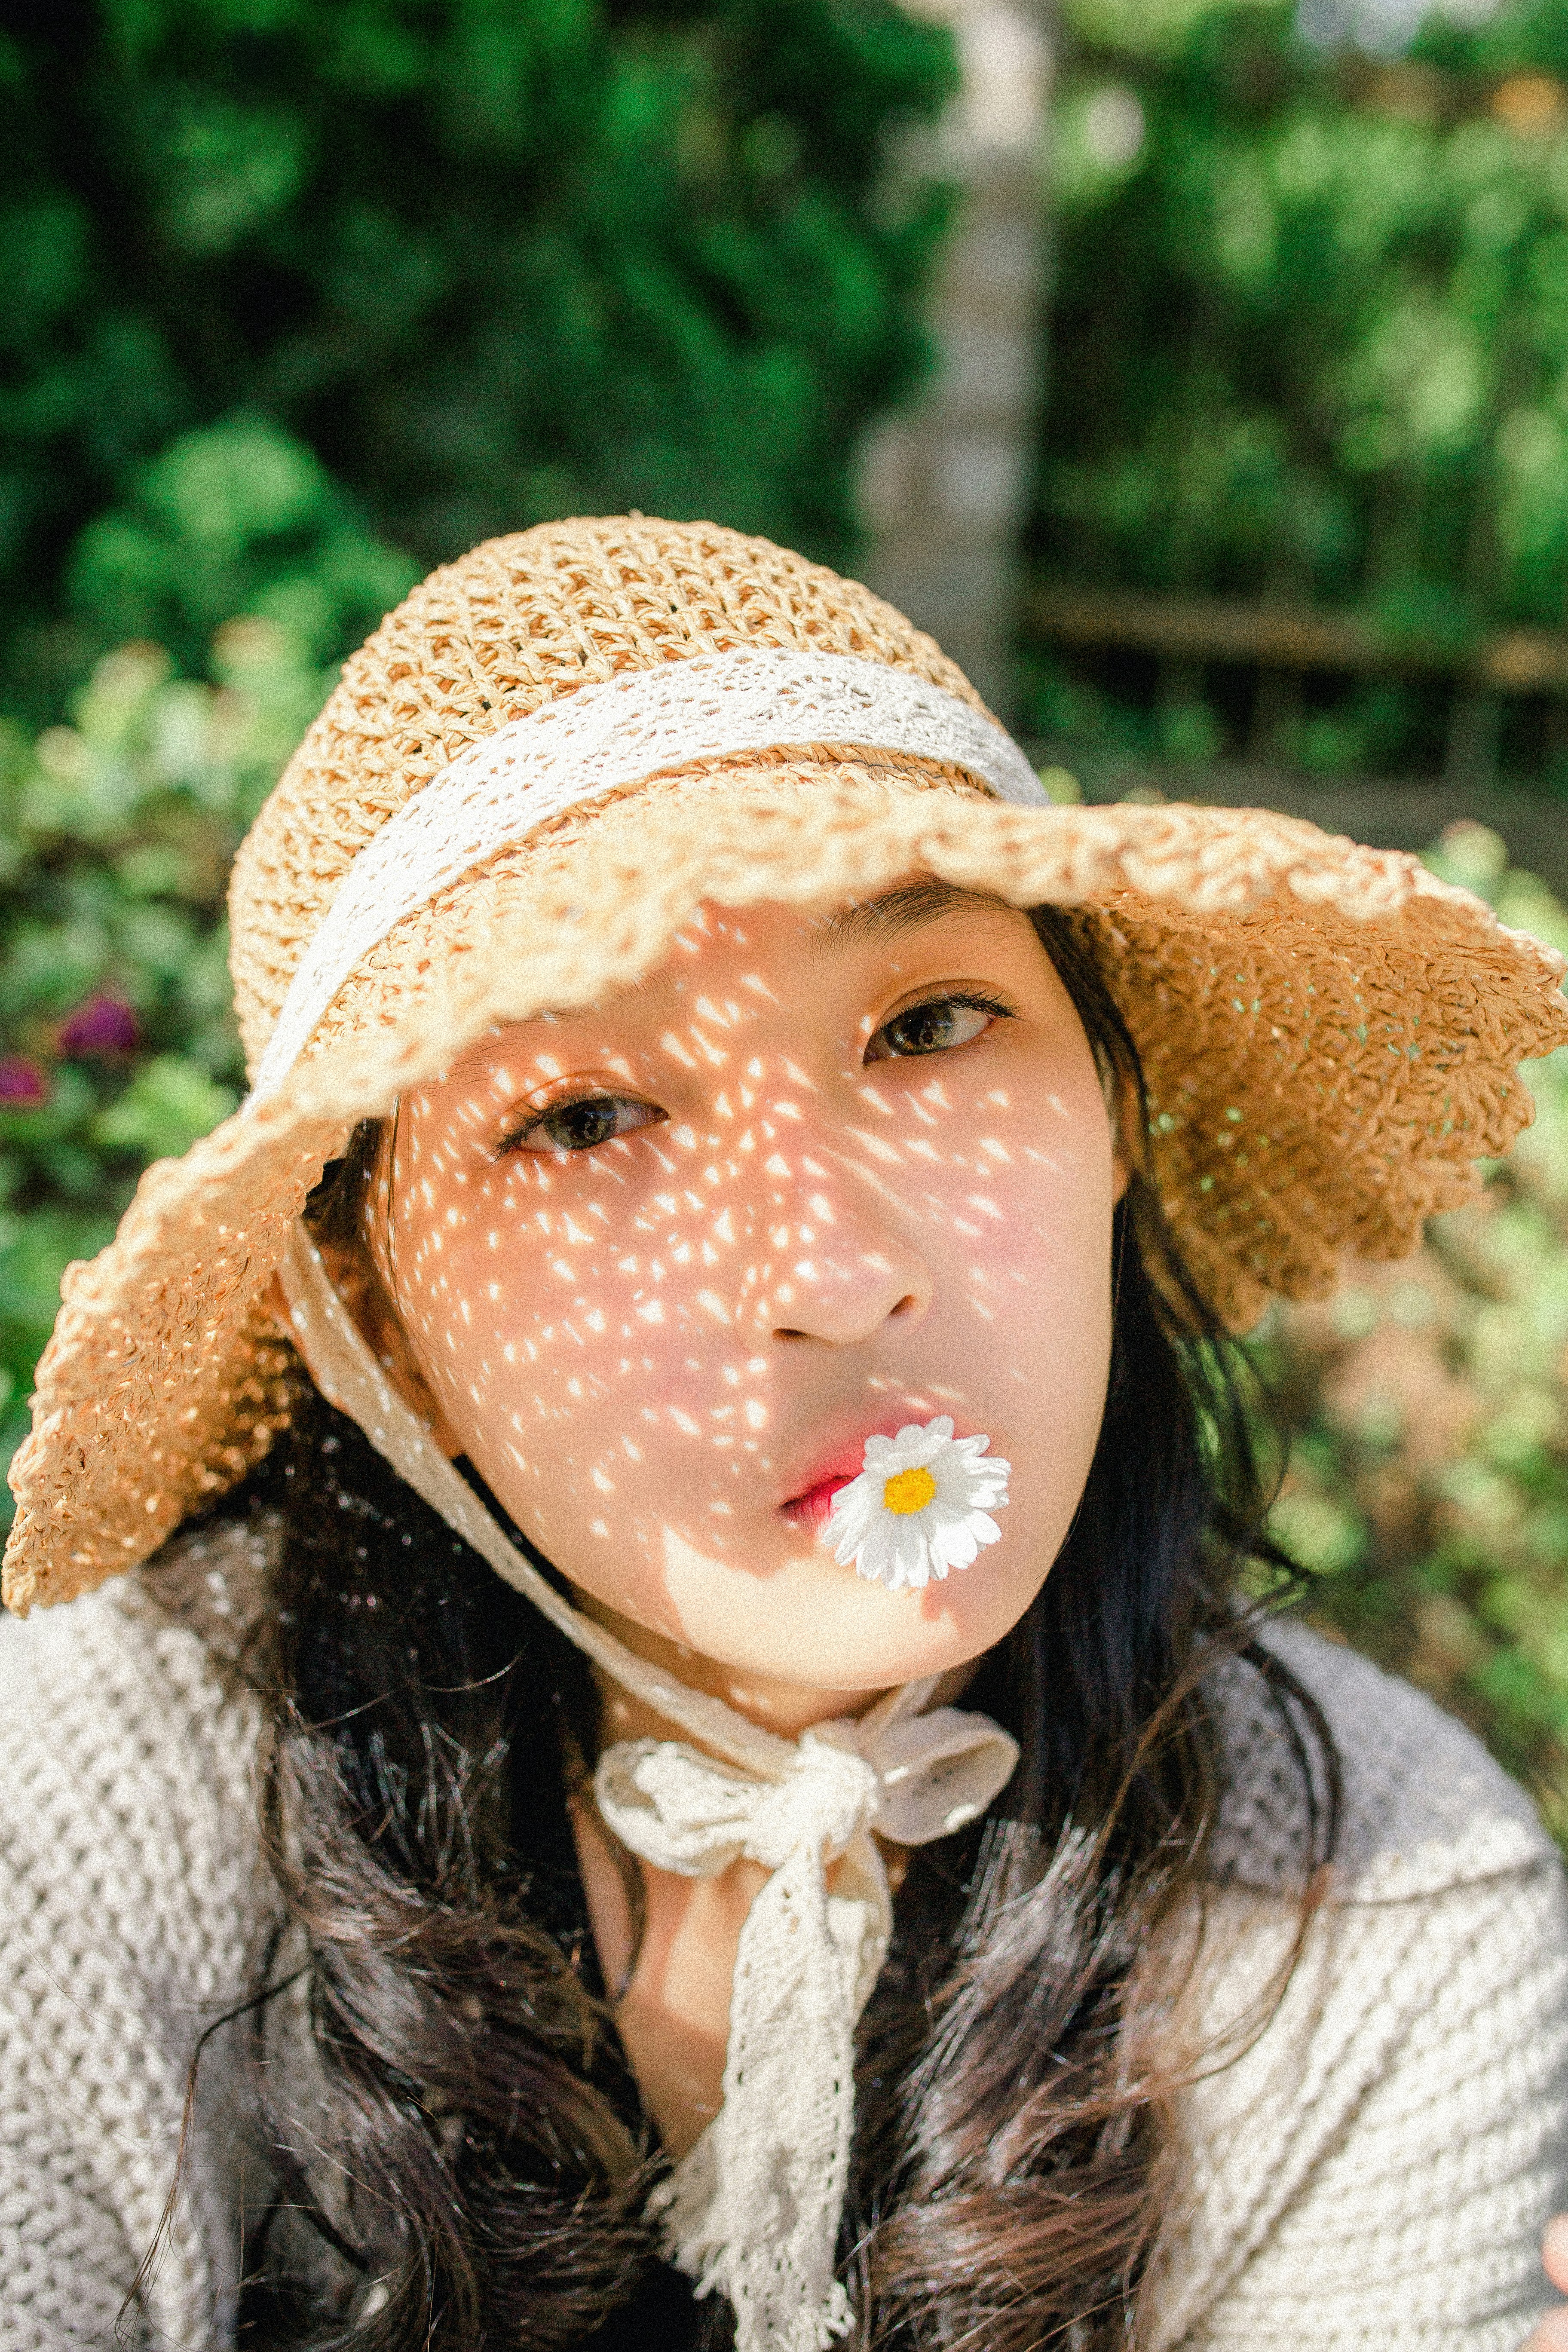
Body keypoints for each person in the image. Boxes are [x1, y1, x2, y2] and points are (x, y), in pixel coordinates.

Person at [3, 518, 1567, 2352]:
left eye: (931, 1023)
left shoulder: (1372, 1907)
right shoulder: (79, 1844)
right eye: (585, 1119)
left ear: (1115, 1107)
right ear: (379, 1325)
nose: (831, 1270)